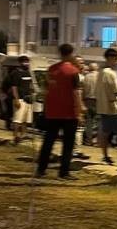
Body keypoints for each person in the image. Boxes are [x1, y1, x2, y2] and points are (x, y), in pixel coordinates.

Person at [36, 44, 83, 179]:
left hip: (53, 111)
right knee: (68, 143)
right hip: (69, 112)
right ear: (71, 53)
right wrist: (79, 112)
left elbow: (46, 90)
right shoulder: (73, 71)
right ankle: (64, 172)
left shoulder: (51, 69)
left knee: (48, 141)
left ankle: (41, 169)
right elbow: (76, 93)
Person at [9, 55, 34, 145]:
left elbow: (30, 84)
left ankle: (23, 135)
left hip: (28, 99)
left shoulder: (28, 72)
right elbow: (14, 87)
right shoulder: (15, 73)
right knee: (17, 119)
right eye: (24, 62)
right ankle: (15, 136)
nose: (26, 63)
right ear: (20, 63)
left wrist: (32, 93)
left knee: (25, 120)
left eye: (27, 61)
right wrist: (16, 99)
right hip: (20, 99)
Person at [82, 62, 99, 146]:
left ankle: (88, 140)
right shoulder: (99, 76)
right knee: (97, 121)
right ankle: (94, 140)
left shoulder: (86, 77)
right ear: (97, 68)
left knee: (88, 121)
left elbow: (83, 90)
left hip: (87, 100)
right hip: (97, 100)